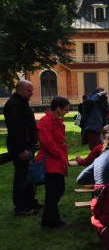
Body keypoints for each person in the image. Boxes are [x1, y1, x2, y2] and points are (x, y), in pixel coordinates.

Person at [3, 80, 39, 216]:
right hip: (21, 147)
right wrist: (21, 149)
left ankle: (30, 202)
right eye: (28, 90)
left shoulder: (21, 103)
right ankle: (21, 207)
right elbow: (15, 130)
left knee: (29, 176)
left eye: (31, 90)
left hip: (27, 145)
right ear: (19, 90)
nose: (31, 93)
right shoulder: (14, 105)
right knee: (22, 178)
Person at [36, 97, 71, 228]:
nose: (67, 112)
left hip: (56, 160)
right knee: (54, 191)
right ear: (58, 109)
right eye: (66, 110)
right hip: (50, 161)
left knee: (57, 190)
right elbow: (47, 142)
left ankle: (50, 219)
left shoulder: (57, 121)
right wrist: (60, 155)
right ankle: (50, 221)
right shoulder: (45, 121)